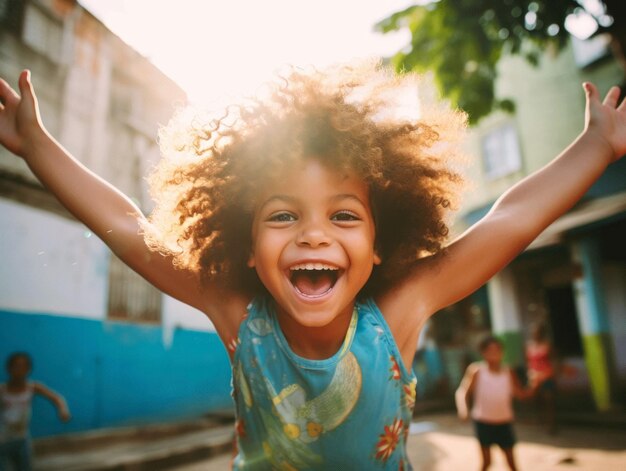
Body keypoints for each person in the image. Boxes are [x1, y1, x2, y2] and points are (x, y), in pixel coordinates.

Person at [0, 62, 624, 470]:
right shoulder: (238, 313)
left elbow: (507, 220)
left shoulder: (399, 312)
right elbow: (131, 230)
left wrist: (597, 146)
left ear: (382, 243)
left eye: (344, 216)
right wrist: (38, 146)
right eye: (283, 216)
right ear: (245, 244)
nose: (313, 235)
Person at [455, 336, 532, 471]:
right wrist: (463, 409)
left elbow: (521, 395)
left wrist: (534, 385)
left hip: (504, 422)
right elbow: (462, 392)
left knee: (511, 462)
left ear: (502, 352)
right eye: (490, 350)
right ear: (483, 353)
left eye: (497, 350)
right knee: (487, 462)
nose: (494, 354)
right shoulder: (477, 371)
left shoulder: (508, 372)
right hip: (483, 422)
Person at [0, 352, 70, 471]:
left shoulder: (32, 387)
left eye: (23, 367)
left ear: (28, 369)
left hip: (22, 438)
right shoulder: (3, 390)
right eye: (15, 366)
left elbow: (57, 398)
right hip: (3, 440)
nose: (19, 370)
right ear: (8, 368)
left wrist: (63, 410)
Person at [525, 321, 558, 434]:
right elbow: (528, 361)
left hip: (547, 375)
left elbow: (554, 360)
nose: (536, 334)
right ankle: (541, 422)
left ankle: (551, 424)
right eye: (534, 332)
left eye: (538, 332)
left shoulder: (547, 346)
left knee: (549, 400)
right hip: (534, 376)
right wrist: (530, 373)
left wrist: (553, 374)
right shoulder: (529, 346)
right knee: (536, 400)